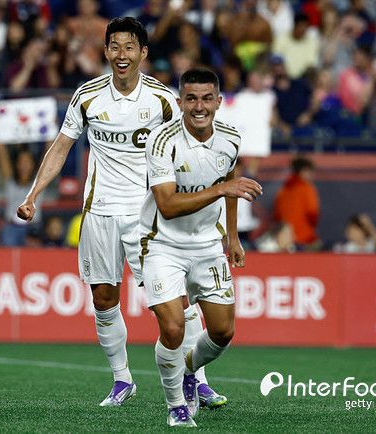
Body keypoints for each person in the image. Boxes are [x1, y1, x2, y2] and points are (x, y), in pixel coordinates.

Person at [17, 17, 226, 408]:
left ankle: (196, 379)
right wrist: (33, 195)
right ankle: (122, 379)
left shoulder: (162, 99)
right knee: (103, 298)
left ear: (143, 53)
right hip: (99, 212)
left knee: (176, 302)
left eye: (129, 46)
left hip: (148, 215)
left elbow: (188, 149)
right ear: (106, 51)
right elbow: (61, 146)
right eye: (114, 46)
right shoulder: (87, 96)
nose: (121, 54)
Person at [140, 68, 262, 427]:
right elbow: (167, 205)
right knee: (173, 327)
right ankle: (176, 406)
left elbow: (231, 182)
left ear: (218, 102)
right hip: (162, 243)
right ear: (180, 102)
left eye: (207, 98)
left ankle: (190, 369)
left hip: (208, 244)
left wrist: (233, 237)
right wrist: (220, 190)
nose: (199, 106)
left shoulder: (230, 138)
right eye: (191, 98)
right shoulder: (162, 141)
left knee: (223, 332)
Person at [0, 142, 41, 247]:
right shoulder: (10, 182)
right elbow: (2, 156)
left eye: (27, 162)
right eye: (21, 162)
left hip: (33, 228)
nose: (24, 165)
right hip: (11, 227)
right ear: (16, 164)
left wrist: (51, 134)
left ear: (33, 164)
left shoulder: (39, 182)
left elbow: (49, 160)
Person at [273, 156, 321, 249]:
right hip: (305, 238)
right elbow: (313, 214)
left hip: (285, 239)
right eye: (310, 172)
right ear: (303, 171)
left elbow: (277, 215)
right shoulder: (308, 189)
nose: (313, 175)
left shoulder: (283, 190)